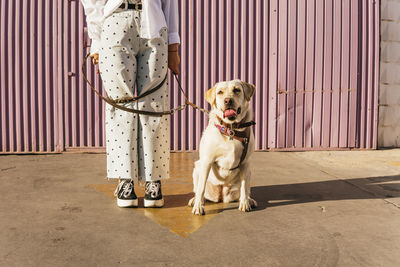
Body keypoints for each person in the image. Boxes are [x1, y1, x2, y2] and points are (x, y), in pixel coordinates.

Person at [80, 0, 180, 208]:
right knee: (120, 105)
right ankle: (125, 180)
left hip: (153, 24)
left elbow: (170, 3)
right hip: (116, 23)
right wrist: (97, 41)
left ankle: (154, 182)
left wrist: (173, 47)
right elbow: (92, 2)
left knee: (154, 106)